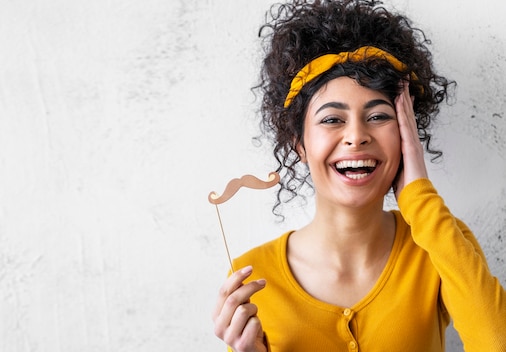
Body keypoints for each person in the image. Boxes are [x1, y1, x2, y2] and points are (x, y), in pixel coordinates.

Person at [211, 1, 506, 351]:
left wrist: (418, 195)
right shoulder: (251, 278)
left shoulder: (440, 243)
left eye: (379, 117)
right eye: (332, 119)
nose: (356, 136)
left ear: (406, 134)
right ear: (298, 143)